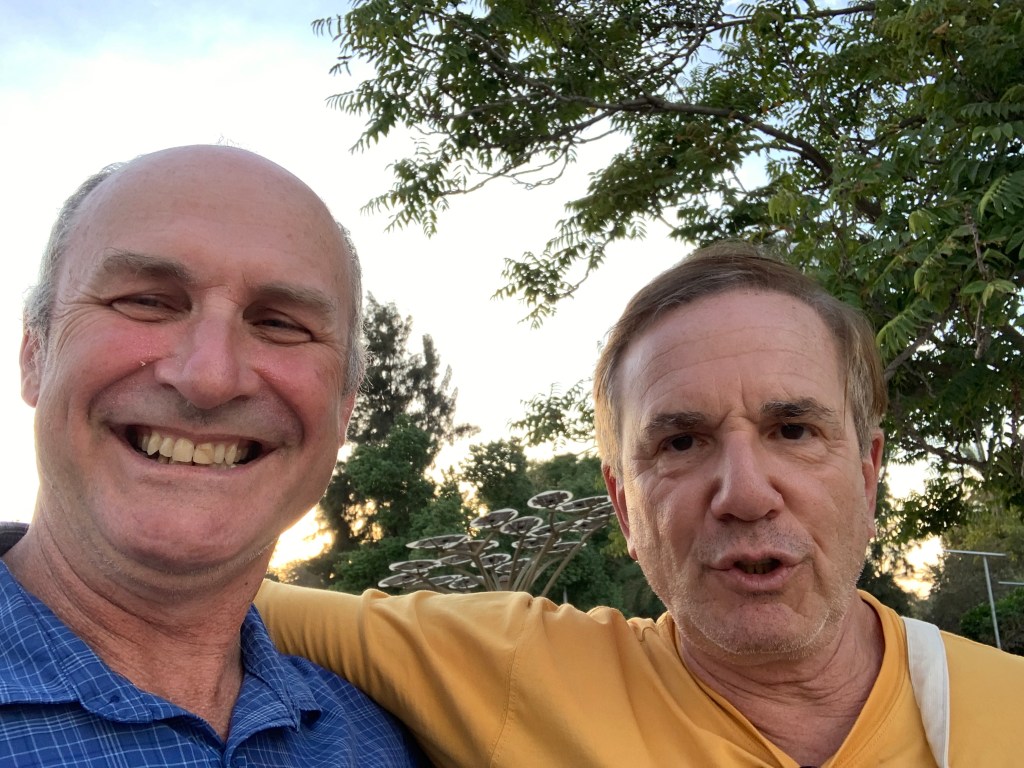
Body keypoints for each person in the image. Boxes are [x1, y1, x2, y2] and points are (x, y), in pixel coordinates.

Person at [256, 242, 1024, 767]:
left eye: (793, 430)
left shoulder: (1006, 710)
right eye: (682, 442)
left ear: (867, 472)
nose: (745, 494)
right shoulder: (522, 674)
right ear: (623, 509)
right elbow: (221, 595)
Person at [0, 145, 423, 766]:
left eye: (280, 324)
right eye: (147, 301)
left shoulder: (389, 737)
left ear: (343, 409)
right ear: (34, 355)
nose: (210, 377)